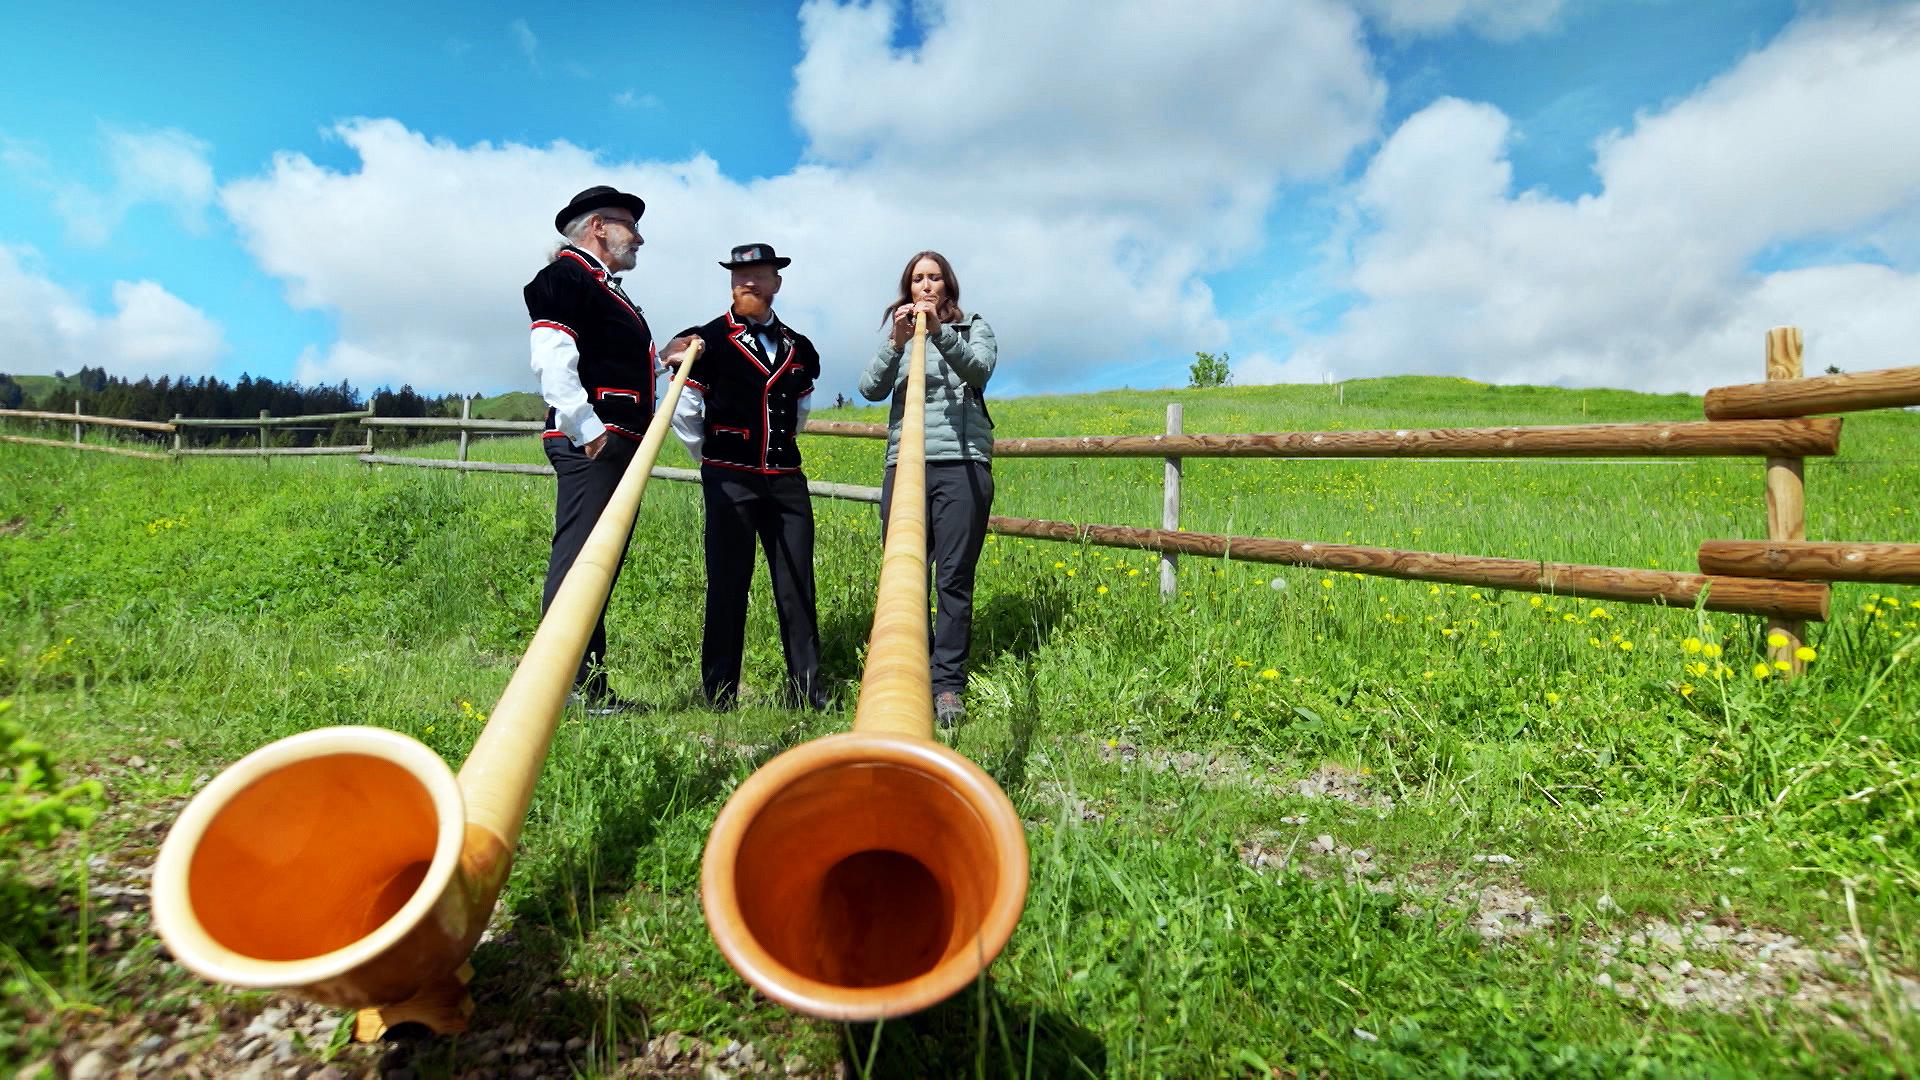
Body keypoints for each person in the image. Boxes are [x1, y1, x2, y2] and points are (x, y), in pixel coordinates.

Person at [665, 244, 829, 711]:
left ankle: (806, 693)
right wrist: (714, 458)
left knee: (797, 583)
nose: (749, 281)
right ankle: (719, 696)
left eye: (759, 273)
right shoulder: (704, 340)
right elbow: (685, 412)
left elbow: (799, 414)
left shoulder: (800, 348)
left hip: (786, 481)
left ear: (777, 282)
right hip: (728, 479)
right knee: (728, 583)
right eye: (740, 274)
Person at [524, 185, 655, 714]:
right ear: (598, 226)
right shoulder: (566, 277)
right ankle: (563, 686)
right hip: (593, 443)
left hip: (613, 440)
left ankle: (586, 687)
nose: (639, 237)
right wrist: (589, 429)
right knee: (581, 563)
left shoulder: (606, 287)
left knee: (597, 564)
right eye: (630, 225)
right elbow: (553, 360)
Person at [858, 250, 996, 727]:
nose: (926, 286)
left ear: (948, 285)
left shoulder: (972, 326)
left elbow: (979, 371)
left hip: (961, 463)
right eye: (918, 279)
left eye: (934, 278)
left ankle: (948, 686)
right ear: (908, 288)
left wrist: (938, 331)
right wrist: (896, 343)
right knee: (905, 574)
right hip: (906, 464)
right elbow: (869, 389)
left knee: (953, 577)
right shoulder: (896, 335)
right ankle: (905, 677)